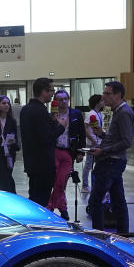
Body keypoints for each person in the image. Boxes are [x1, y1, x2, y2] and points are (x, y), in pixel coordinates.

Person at [88, 81, 134, 234]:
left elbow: (127, 141)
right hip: (112, 160)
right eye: (104, 93)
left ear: (118, 95)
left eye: (108, 93)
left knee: (96, 201)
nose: (104, 96)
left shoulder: (123, 113)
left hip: (111, 162)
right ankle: (123, 234)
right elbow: (117, 137)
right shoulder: (119, 111)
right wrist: (102, 134)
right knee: (118, 201)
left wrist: (104, 151)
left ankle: (98, 237)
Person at [20, 78, 65, 207]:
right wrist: (61, 127)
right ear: (43, 91)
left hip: (32, 162)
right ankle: (39, 226)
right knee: (41, 201)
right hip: (43, 164)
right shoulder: (40, 111)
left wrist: (50, 122)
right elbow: (46, 138)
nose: (53, 94)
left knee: (34, 198)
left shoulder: (26, 109)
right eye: (51, 90)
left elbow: (34, 133)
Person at [47, 90, 85, 221]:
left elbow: (82, 133)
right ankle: (63, 208)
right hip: (54, 151)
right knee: (55, 181)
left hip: (69, 152)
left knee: (61, 181)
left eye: (65, 99)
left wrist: (81, 152)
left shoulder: (76, 114)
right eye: (60, 99)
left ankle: (50, 206)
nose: (63, 102)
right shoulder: (51, 115)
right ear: (56, 101)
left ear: (68, 99)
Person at [82, 94, 104, 194]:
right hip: (92, 143)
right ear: (97, 102)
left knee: (96, 166)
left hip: (98, 142)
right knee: (88, 165)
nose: (104, 102)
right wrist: (92, 138)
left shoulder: (99, 114)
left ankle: (94, 185)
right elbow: (86, 128)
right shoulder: (91, 114)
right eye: (102, 100)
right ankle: (85, 185)